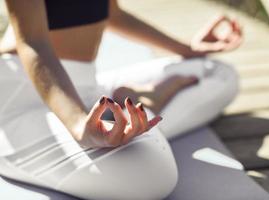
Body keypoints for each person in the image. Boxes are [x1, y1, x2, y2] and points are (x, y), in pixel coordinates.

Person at [0, 0, 242, 199]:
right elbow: (33, 42)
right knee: (150, 175)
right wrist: (77, 123)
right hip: (24, 94)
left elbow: (112, 13)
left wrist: (186, 48)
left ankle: (125, 108)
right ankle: (141, 106)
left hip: (85, 84)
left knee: (218, 74)